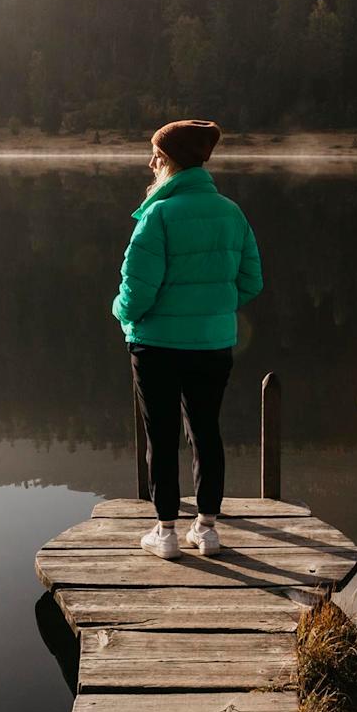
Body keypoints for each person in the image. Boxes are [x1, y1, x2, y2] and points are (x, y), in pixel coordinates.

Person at [112, 119, 262, 560]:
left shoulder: (157, 215)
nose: (151, 163)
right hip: (213, 344)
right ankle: (207, 530)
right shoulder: (231, 213)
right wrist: (212, 306)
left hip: (156, 346)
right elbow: (251, 281)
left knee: (161, 437)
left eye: (156, 155)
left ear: (170, 161)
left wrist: (120, 312)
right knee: (206, 432)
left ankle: (166, 533)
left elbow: (136, 292)